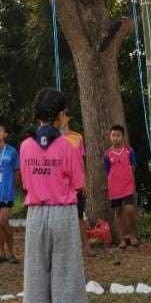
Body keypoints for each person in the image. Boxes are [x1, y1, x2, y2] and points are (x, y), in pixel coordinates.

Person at [19, 87, 90, 303]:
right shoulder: (67, 147)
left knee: (36, 279)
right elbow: (78, 182)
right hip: (62, 213)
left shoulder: (25, 146)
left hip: (35, 215)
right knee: (65, 278)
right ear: (61, 116)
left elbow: (25, 181)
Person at [60, 106, 92, 258]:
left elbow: (82, 161)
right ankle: (67, 249)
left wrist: (84, 181)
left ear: (68, 118)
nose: (61, 118)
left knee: (79, 215)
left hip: (77, 183)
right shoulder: (54, 139)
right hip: (60, 184)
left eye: (63, 115)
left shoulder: (77, 137)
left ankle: (86, 246)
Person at [0, 122, 20, 264]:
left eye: (0, 131)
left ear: (5, 134)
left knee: (3, 221)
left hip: (7, 192)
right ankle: (1, 254)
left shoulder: (12, 151)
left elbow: (17, 172)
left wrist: (13, 188)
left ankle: (11, 253)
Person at [104, 125, 140, 248]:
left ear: (123, 137)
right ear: (110, 137)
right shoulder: (107, 154)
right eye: (113, 135)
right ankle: (122, 238)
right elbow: (107, 170)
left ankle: (132, 234)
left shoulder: (129, 151)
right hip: (114, 188)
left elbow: (134, 165)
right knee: (118, 212)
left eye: (118, 135)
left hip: (128, 186)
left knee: (129, 209)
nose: (116, 138)